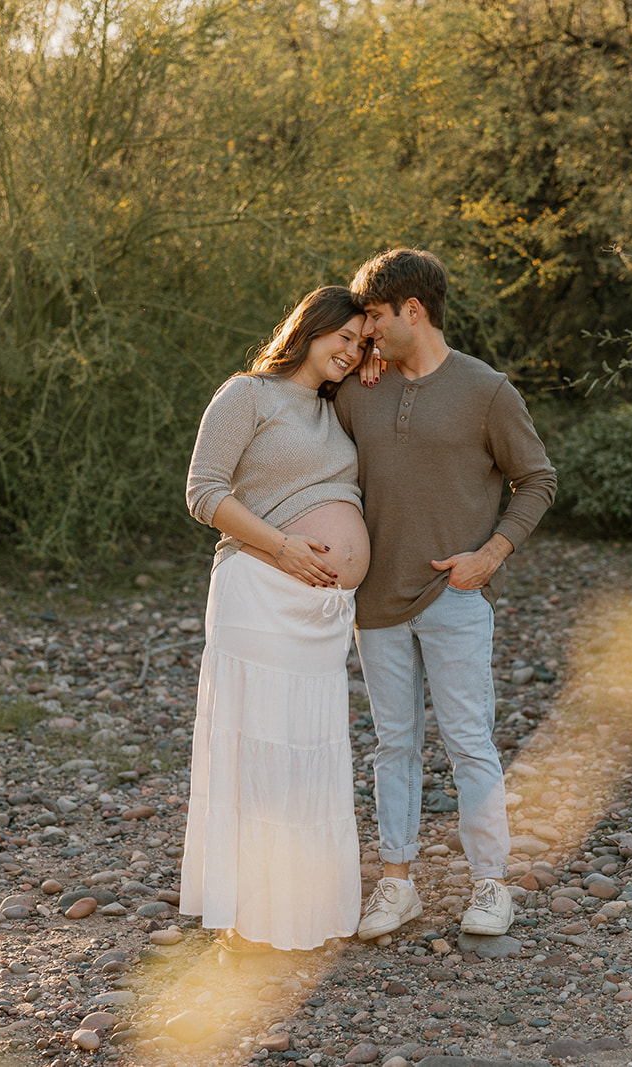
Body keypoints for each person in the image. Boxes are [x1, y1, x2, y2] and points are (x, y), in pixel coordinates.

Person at [333, 249, 556, 940]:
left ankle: (490, 883)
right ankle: (396, 884)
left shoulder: (487, 390)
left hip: (454, 594)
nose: (364, 331)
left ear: (413, 310)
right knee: (393, 744)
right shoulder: (357, 390)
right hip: (374, 601)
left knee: (469, 741)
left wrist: (490, 554)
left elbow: (538, 478)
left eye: (372, 317)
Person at [180, 286, 372, 952]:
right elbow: (203, 492)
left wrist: (370, 369)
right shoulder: (248, 394)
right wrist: (283, 546)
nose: (350, 352)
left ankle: (304, 908)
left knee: (309, 749)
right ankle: (251, 914)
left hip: (320, 611)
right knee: (261, 744)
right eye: (341, 338)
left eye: (360, 342)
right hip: (259, 587)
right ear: (309, 328)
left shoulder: (335, 408)